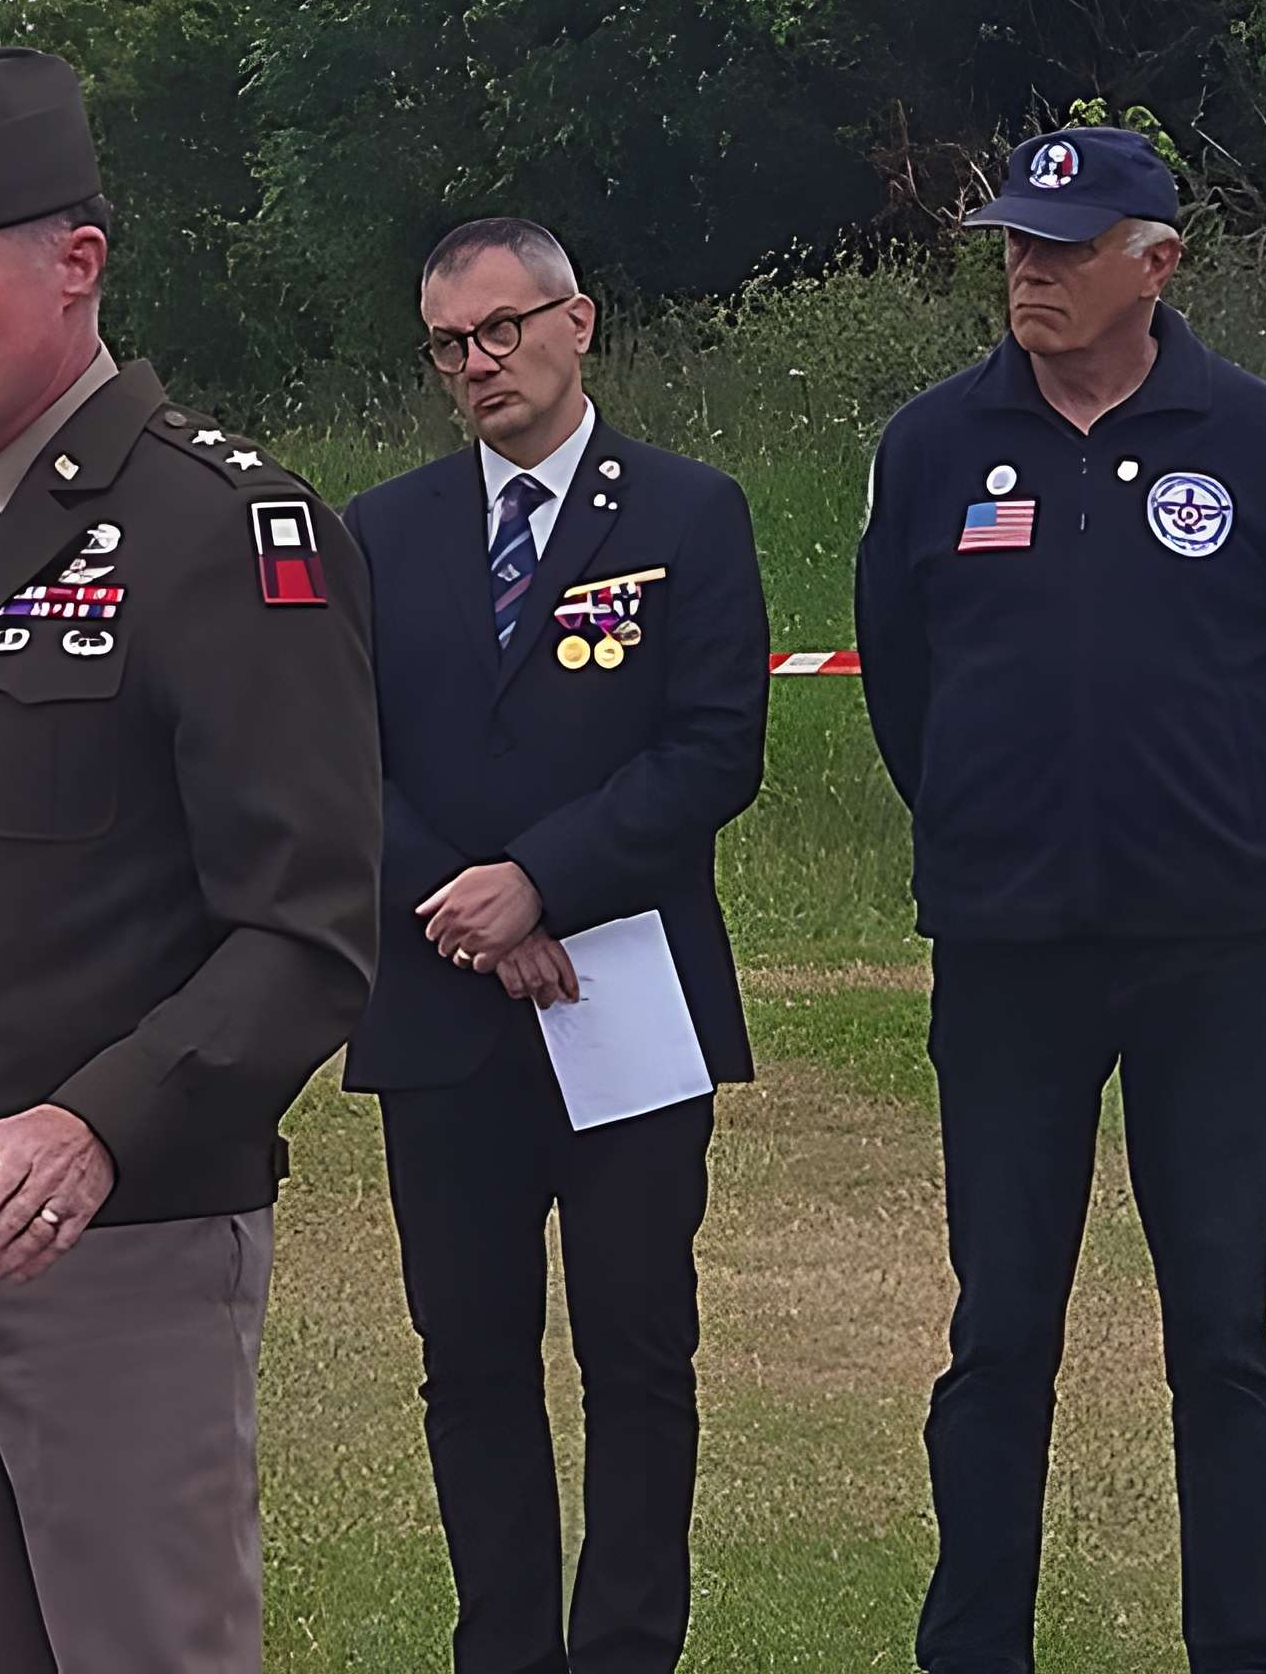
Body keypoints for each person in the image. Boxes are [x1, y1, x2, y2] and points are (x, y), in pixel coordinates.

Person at [0, 46, 382, 1674]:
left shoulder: (220, 534)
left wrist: (96, 1124)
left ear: (76, 264)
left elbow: (312, 927)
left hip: (114, 1244)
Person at [854, 126, 1266, 1674]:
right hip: (1008, 957)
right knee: (999, 1330)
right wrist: (984, 829)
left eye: (1066, 248)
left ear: (1157, 263)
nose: (1030, 269)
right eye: (1017, 242)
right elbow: (904, 686)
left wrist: (1224, 847)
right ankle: (974, 1650)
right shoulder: (937, 445)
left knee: (1221, 1335)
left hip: (1211, 961)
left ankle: (1239, 1650)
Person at [339, 217, 769, 1674]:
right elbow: (338, 759)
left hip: (626, 992)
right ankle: (503, 1649)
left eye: (502, 331)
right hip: (441, 1004)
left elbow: (715, 751)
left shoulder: (686, 515)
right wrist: (469, 905)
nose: (478, 366)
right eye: (450, 346)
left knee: (638, 1353)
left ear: (577, 322)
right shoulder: (381, 533)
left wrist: (541, 880)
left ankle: (630, 1645)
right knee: (469, 1363)